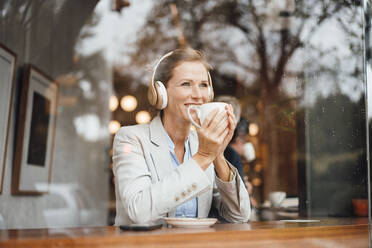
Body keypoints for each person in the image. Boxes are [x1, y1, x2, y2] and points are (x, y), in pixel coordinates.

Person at [112, 47, 251, 225]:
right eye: (186, 84)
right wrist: (203, 157)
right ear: (160, 93)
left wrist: (217, 155)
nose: (198, 95)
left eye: (203, 85)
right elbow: (139, 211)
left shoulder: (201, 145)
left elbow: (239, 216)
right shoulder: (131, 138)